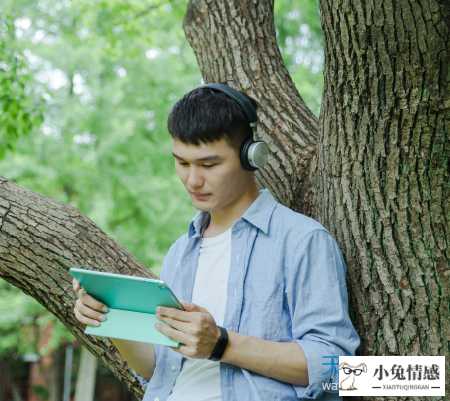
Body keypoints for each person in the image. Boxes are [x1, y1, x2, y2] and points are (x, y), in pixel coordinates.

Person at [72, 80, 361, 400]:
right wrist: (110, 319)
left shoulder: (301, 241)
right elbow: (161, 370)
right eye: (182, 163)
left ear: (253, 156)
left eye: (209, 164)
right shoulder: (179, 253)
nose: (193, 180)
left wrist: (221, 343)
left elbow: (338, 370)